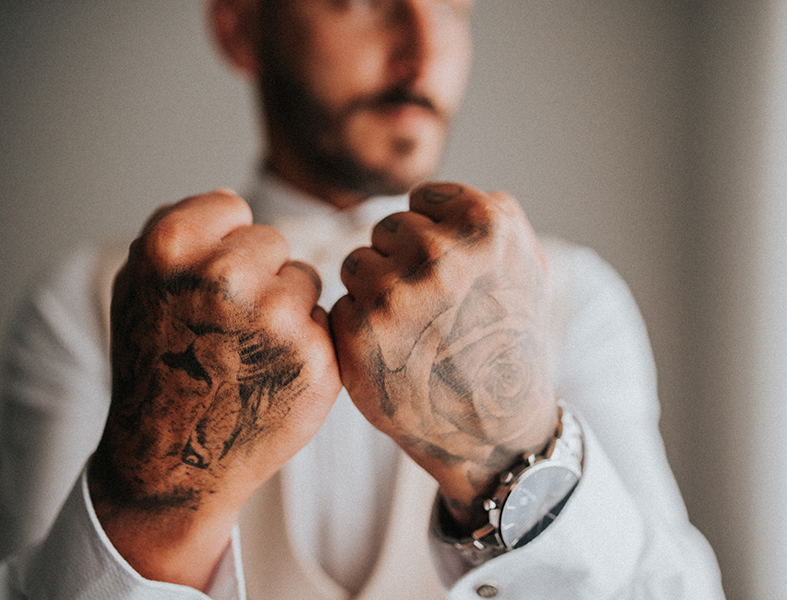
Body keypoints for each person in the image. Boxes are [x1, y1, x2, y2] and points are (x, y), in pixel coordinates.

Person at [0, 0, 725, 598]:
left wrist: (512, 450)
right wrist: (155, 495)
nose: (423, 51)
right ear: (240, 26)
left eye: (453, 8)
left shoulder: (572, 296)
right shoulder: (85, 306)